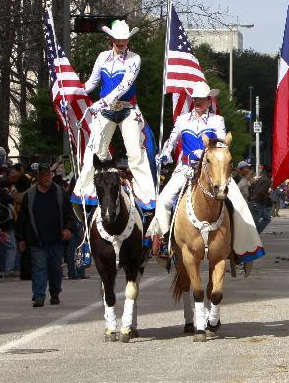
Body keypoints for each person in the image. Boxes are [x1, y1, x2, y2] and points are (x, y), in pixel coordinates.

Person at [148, 81, 264, 263]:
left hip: (212, 169)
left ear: (209, 101)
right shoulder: (182, 119)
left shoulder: (216, 121)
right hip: (185, 169)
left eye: (202, 99)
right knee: (163, 200)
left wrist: (203, 153)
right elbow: (171, 143)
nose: (198, 102)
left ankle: (241, 248)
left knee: (238, 202)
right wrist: (163, 155)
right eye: (195, 98)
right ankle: (164, 240)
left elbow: (221, 144)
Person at [72, 19, 156, 211]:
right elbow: (92, 83)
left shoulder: (135, 59)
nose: (121, 43)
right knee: (95, 152)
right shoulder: (102, 57)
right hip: (106, 111)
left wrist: (101, 102)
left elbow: (125, 85)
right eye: (118, 39)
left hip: (127, 109)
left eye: (124, 39)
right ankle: (88, 194)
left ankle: (147, 200)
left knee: (135, 153)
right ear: (111, 38)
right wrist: (73, 91)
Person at [15, 164, 75, 307]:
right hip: (37, 240)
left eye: (48, 174)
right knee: (39, 268)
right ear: (38, 177)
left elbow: (70, 214)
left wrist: (68, 229)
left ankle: (55, 293)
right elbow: (22, 219)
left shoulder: (60, 193)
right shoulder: (29, 195)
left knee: (55, 268)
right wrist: (21, 238)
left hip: (56, 239)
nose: (46, 177)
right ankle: (39, 296)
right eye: (43, 175)